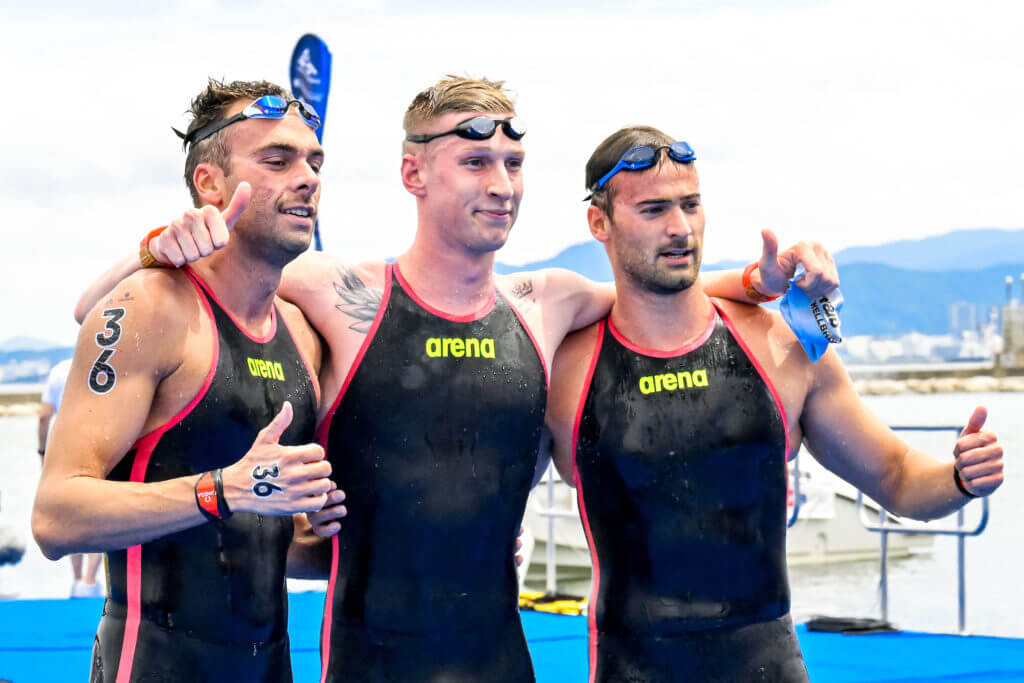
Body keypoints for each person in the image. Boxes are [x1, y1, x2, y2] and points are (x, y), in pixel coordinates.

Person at [74, 76, 838, 682]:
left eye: (512, 163)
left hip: (502, 662)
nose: (501, 182)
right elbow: (102, 309)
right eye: (476, 161)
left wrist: (760, 279)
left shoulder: (545, 305)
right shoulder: (342, 295)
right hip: (369, 665)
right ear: (414, 172)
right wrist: (153, 244)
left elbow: (660, 292)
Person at [544, 126, 1006, 682]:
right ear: (600, 223)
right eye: (653, 209)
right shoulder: (565, 372)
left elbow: (897, 476)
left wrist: (959, 478)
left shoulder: (778, 349)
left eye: (691, 204)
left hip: (765, 665)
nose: (680, 228)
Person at [32, 79, 337, 682]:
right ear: (210, 184)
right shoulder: (153, 307)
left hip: (271, 666)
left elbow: (272, 545)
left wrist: (335, 544)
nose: (307, 177)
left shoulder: (303, 332)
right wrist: (222, 489)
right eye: (277, 160)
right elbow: (55, 517)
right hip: (152, 664)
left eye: (314, 161)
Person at [38, 357, 104, 597]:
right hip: (97, 444)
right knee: (97, 514)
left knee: (73, 513)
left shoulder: (58, 371)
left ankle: (77, 580)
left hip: (63, 448)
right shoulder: (101, 366)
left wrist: (42, 450)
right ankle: (89, 580)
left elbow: (45, 415)